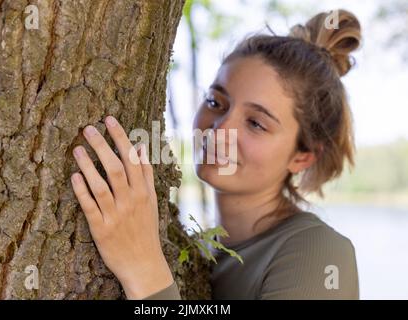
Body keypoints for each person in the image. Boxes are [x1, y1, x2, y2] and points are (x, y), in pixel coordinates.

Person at [70, 9, 361, 300]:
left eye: (256, 123)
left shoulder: (320, 253)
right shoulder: (199, 251)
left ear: (303, 156)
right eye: (216, 102)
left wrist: (143, 268)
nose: (220, 130)